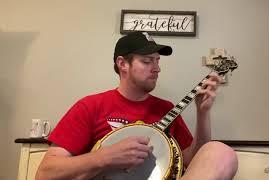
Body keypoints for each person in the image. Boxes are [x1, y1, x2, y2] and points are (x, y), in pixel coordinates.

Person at [36, 31, 238, 180]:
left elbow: (194, 163)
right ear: (123, 64)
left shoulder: (166, 109)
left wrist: (203, 113)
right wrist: (104, 157)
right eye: (147, 61)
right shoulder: (91, 106)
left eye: (157, 61)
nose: (157, 68)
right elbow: (45, 173)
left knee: (220, 152)